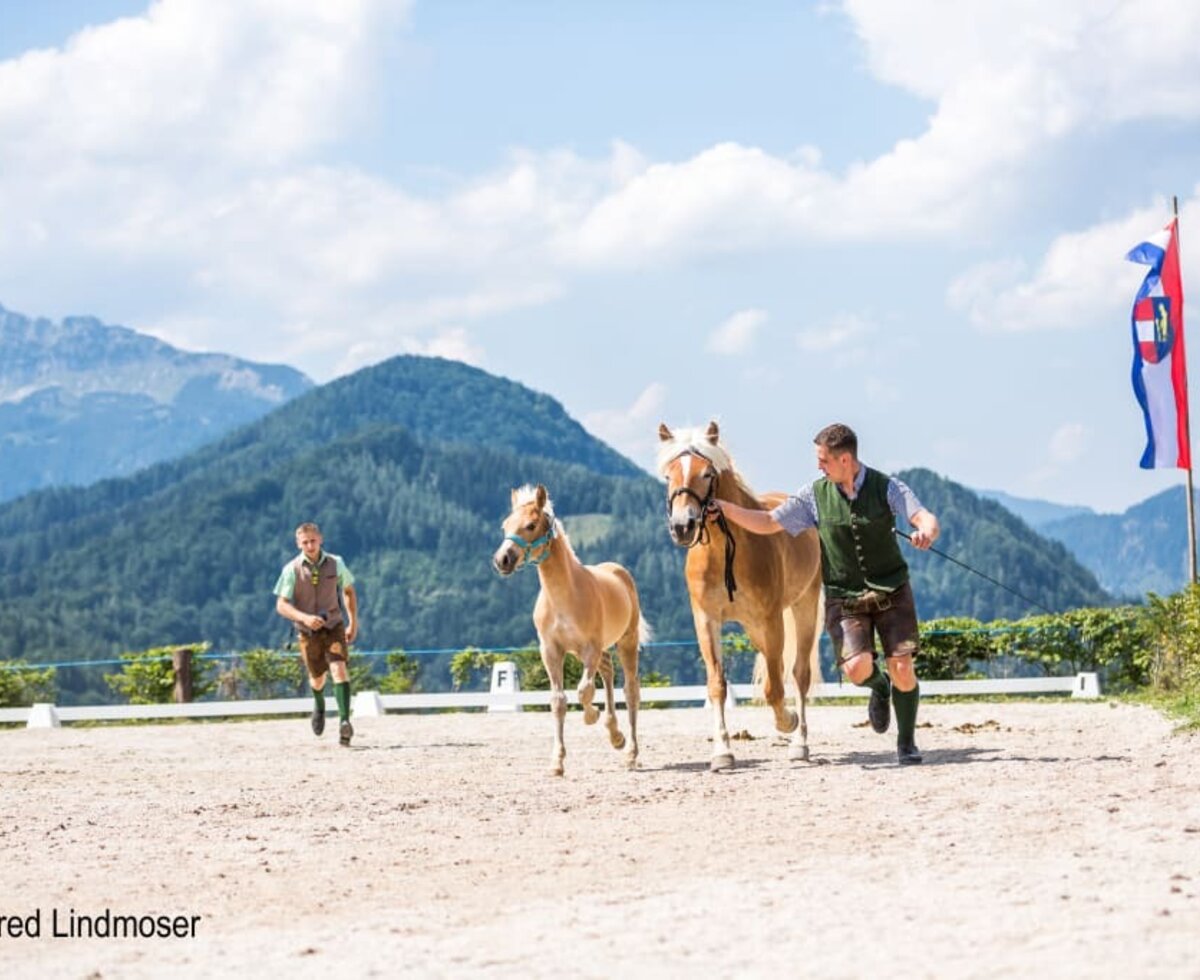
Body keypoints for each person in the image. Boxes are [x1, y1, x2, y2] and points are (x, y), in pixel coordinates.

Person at [706, 423, 939, 765]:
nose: (818, 466)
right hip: (845, 596)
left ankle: (906, 742)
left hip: (892, 588)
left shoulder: (887, 487)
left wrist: (925, 531)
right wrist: (726, 509)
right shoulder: (813, 495)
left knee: (903, 666)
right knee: (858, 669)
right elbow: (769, 521)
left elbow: (923, 516)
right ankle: (878, 685)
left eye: (823, 460)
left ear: (845, 460)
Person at [273, 522, 359, 747]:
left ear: (320, 539)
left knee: (339, 669)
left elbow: (348, 591)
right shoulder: (291, 569)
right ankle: (319, 704)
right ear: (298, 544)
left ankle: (344, 723)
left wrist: (353, 623)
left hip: (334, 626)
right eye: (305, 542)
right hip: (307, 631)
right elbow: (281, 605)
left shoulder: (336, 563)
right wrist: (303, 618)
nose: (310, 546)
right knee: (318, 678)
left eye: (313, 540)